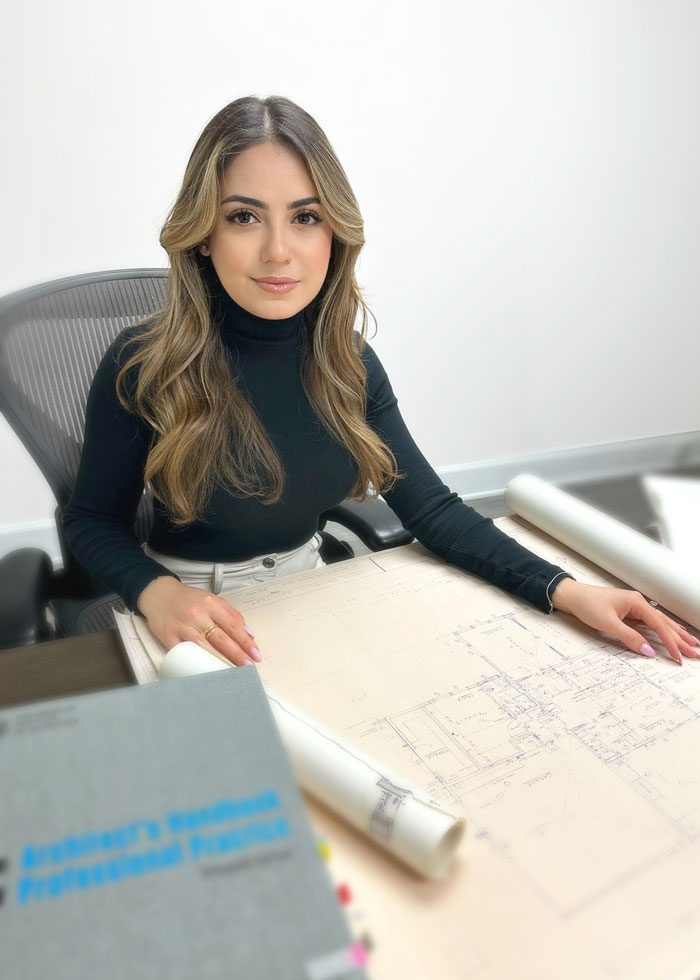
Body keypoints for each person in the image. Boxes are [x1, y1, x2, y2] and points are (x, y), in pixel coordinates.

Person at [63, 95, 700, 669]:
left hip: (312, 591)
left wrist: (568, 590)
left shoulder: (348, 363)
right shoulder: (145, 363)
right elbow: (91, 521)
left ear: (334, 231)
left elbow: (434, 511)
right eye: (244, 217)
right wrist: (158, 593)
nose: (279, 251)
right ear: (203, 234)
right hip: (190, 609)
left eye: (305, 217)